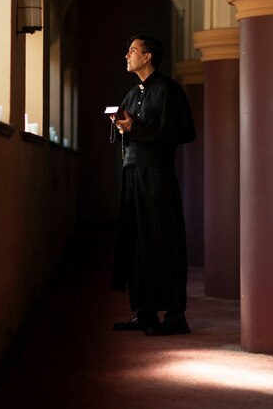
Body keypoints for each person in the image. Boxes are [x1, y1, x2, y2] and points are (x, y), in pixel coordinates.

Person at [110, 35, 196, 335]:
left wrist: (137, 127)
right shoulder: (133, 93)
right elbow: (128, 130)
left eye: (132, 50)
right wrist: (122, 126)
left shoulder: (169, 90)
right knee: (136, 243)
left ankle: (174, 316)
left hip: (157, 177)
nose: (126, 55)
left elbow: (182, 133)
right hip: (133, 173)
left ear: (147, 57)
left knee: (162, 243)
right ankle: (145, 311)